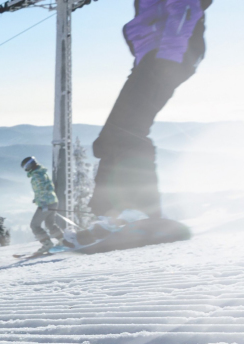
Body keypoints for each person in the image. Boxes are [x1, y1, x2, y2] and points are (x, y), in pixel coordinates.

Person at [89, 0, 211, 221]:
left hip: (168, 56)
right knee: (108, 139)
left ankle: (144, 214)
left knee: (129, 132)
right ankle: (107, 214)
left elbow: (184, 8)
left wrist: (168, 58)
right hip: (151, 59)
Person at [22, 156, 63, 254]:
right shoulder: (42, 172)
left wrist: (43, 203)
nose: (26, 169)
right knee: (50, 224)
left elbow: (42, 190)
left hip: (46, 204)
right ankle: (62, 240)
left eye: (26, 167)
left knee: (34, 225)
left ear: (30, 165)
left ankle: (47, 244)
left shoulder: (37, 176)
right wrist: (37, 199)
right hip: (53, 201)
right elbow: (48, 187)